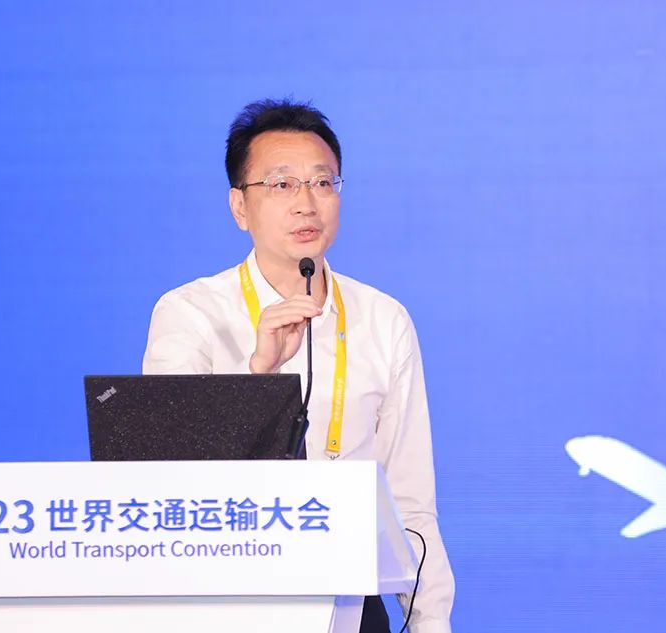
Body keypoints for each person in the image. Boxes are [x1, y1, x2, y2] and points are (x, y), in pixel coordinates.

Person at [143, 98, 454, 633]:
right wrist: (258, 378)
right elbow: (167, 481)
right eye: (281, 184)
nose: (306, 203)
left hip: (351, 600)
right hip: (227, 600)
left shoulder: (383, 319)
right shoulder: (190, 313)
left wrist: (429, 623)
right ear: (240, 207)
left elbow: (410, 502)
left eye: (323, 182)